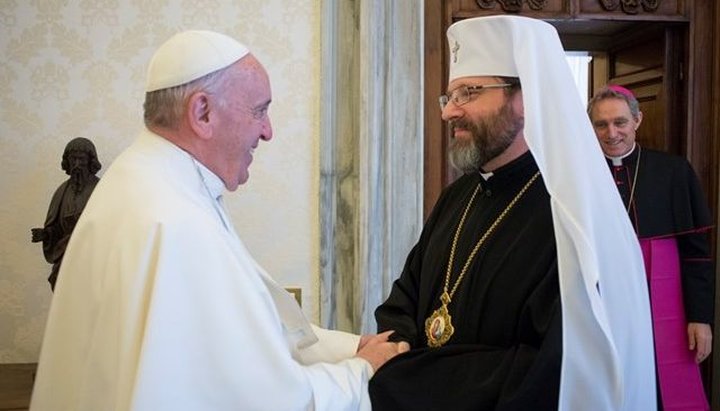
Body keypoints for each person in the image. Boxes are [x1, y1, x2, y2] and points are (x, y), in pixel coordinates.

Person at [30, 30, 408, 411]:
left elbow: (244, 335)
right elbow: (264, 399)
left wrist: (348, 347)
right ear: (203, 113)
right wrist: (360, 370)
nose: (268, 131)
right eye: (259, 110)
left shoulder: (149, 180)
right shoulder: (173, 221)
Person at [369, 16, 656, 411]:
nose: (449, 112)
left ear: (526, 98)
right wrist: (397, 344)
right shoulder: (459, 196)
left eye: (468, 92)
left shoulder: (573, 215)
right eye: (448, 97)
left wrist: (407, 373)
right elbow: (405, 299)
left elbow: (555, 371)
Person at [588, 85, 714, 411]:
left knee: (663, 388)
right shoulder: (581, 175)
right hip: (602, 301)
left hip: (663, 300)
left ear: (637, 120)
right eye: (601, 124)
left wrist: (701, 318)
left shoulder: (673, 172)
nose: (611, 133)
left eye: (620, 122)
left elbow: (696, 252)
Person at [30, 137, 101, 291]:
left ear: (90, 161)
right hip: (65, 256)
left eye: (81, 159)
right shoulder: (61, 191)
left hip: (92, 257)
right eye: (73, 159)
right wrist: (46, 234)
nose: (76, 164)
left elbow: (111, 226)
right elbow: (56, 228)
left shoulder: (101, 189)